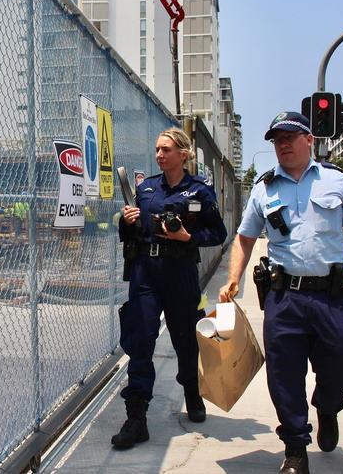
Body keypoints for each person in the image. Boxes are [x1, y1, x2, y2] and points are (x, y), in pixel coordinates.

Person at [218, 111, 343, 474]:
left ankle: (327, 406)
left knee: (340, 364)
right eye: (277, 140)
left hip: (331, 296)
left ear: (309, 140)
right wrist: (234, 278)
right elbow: (244, 239)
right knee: (283, 375)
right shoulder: (264, 188)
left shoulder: (336, 182)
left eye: (290, 137)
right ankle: (295, 447)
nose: (283, 145)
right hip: (284, 298)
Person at [112, 127, 227, 449]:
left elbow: (219, 233)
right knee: (140, 343)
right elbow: (129, 234)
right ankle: (137, 417)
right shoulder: (146, 189)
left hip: (180, 275)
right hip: (145, 275)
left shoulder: (199, 190)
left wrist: (188, 238)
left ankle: (192, 390)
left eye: (166, 150)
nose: (160, 155)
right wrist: (128, 220)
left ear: (183, 154)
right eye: (158, 150)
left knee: (187, 342)